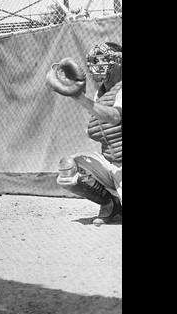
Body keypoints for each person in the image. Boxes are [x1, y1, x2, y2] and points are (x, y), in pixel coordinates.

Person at [46, 41, 122, 225]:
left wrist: (79, 98)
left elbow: (114, 117)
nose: (98, 65)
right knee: (68, 167)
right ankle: (110, 205)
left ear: (119, 62)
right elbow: (101, 128)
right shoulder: (101, 93)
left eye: (103, 60)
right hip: (110, 162)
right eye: (95, 61)